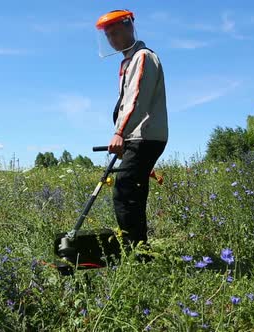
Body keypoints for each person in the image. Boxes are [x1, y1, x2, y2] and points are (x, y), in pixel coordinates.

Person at [95, 10, 168, 250]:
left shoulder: (143, 57)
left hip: (144, 135)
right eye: (108, 35)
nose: (113, 39)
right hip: (136, 136)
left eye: (116, 32)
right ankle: (139, 249)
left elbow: (136, 100)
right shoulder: (129, 60)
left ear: (129, 27)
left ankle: (135, 252)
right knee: (132, 191)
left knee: (125, 191)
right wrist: (123, 138)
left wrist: (120, 134)